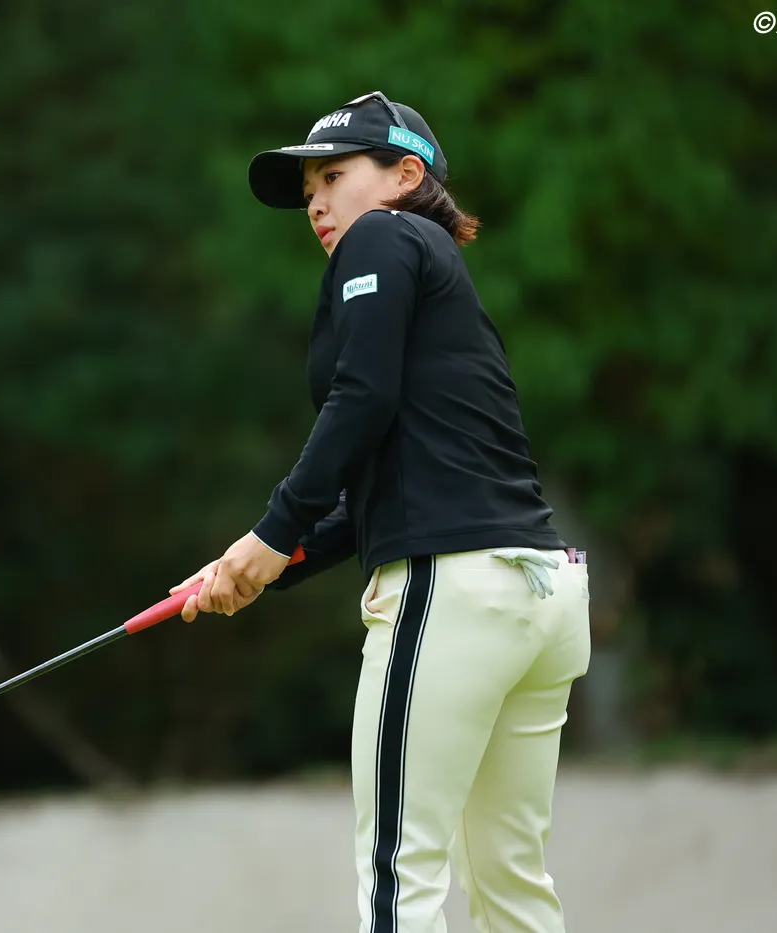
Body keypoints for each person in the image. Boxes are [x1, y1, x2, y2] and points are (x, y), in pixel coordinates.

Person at [170, 92, 592, 933]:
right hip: (540, 593)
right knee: (510, 884)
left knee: (400, 874)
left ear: (405, 174)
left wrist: (271, 532)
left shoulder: (383, 236)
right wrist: (270, 565)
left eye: (333, 177)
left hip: (452, 591)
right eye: (309, 191)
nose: (316, 203)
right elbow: (386, 486)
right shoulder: (439, 277)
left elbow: (361, 398)